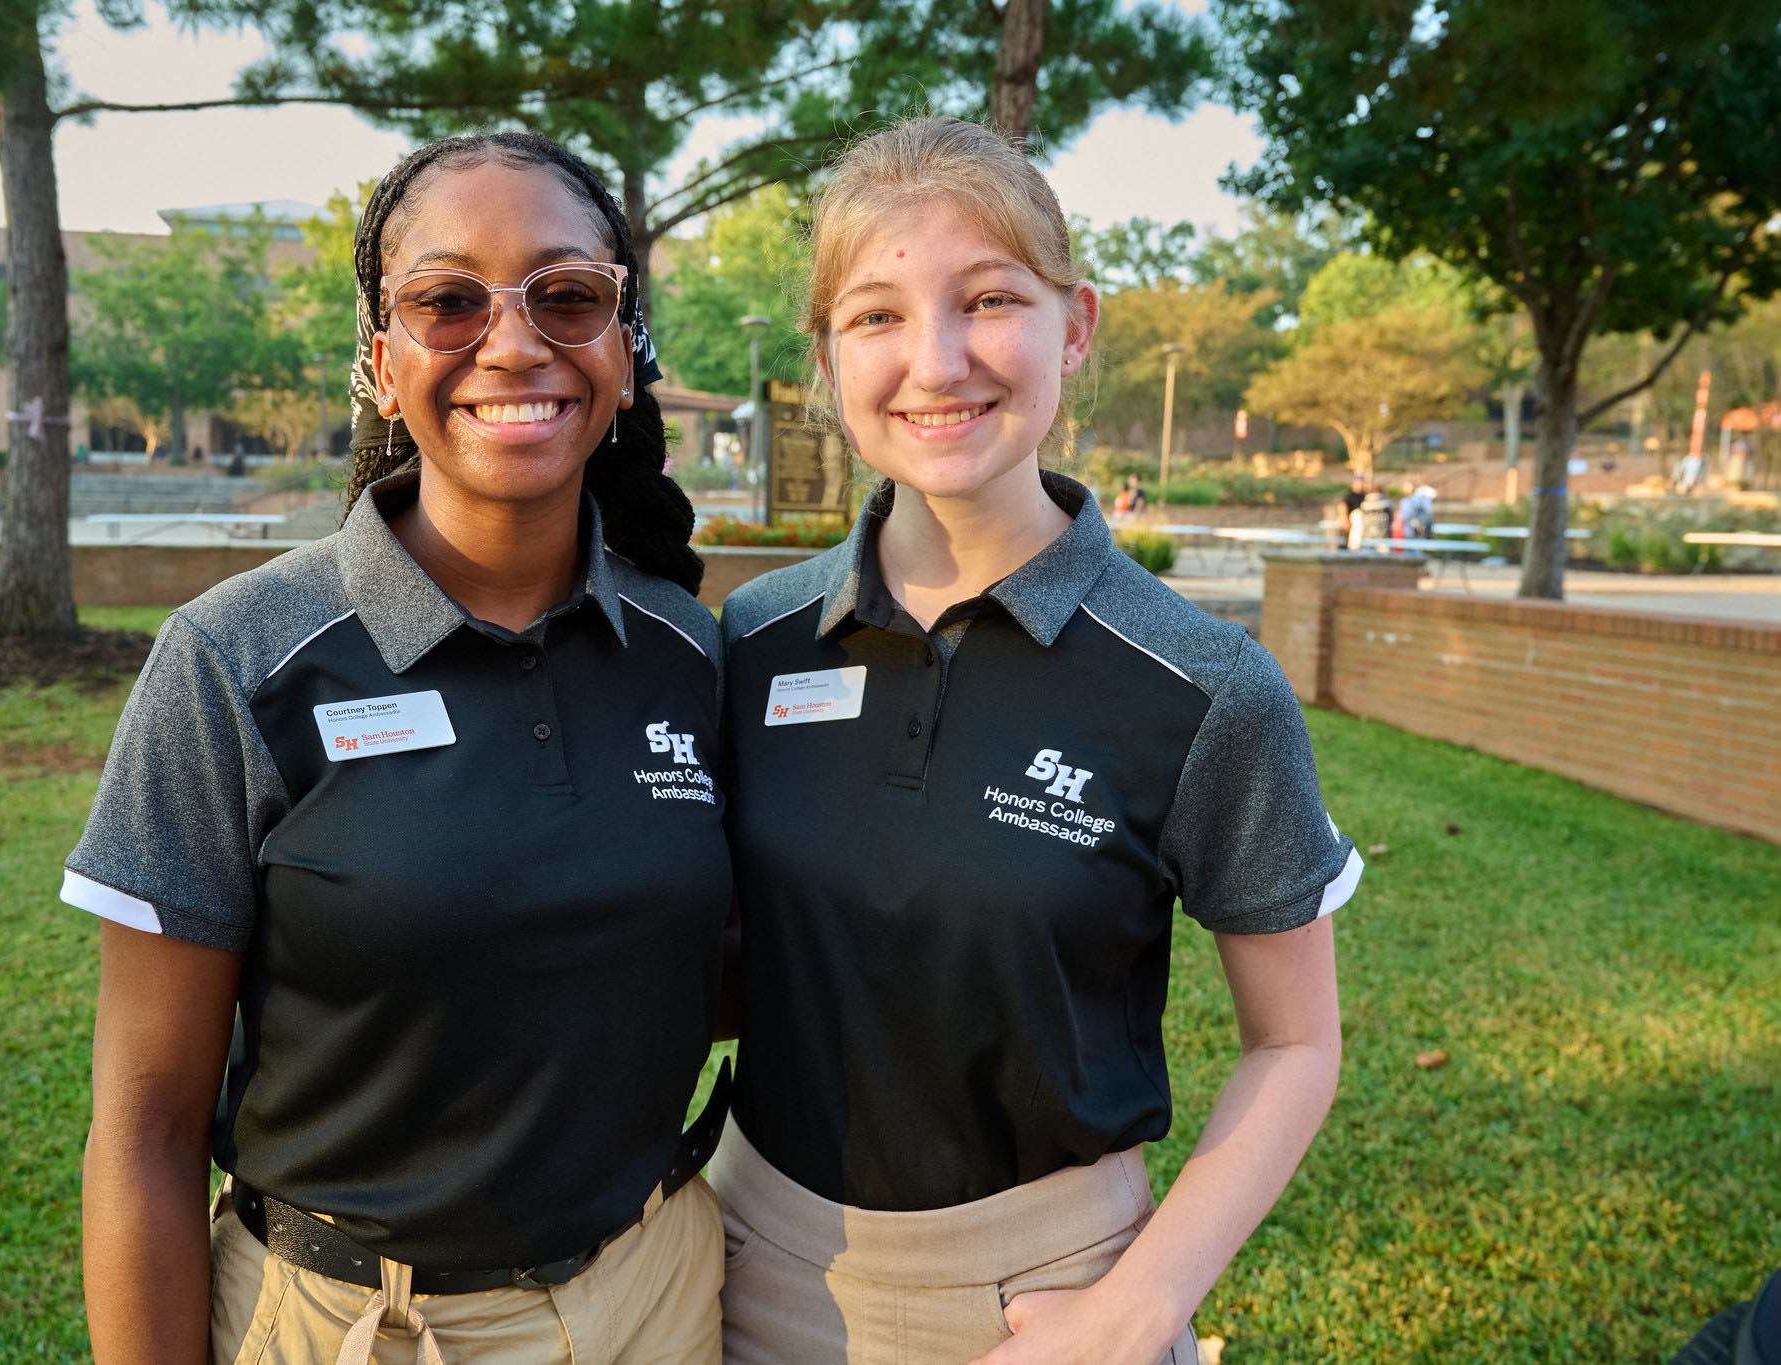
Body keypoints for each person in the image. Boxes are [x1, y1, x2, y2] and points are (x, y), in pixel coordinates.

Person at [71, 130, 731, 1365]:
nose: (516, 341)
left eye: (568, 296)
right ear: (380, 361)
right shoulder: (234, 659)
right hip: (358, 1325)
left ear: (622, 355)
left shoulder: (691, 656)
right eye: (446, 301)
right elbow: (145, 1131)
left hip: (661, 1298)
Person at [717, 117, 1359, 1365]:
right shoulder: (751, 640)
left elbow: (1294, 1044)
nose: (936, 361)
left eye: (989, 298)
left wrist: (1139, 1305)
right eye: (876, 315)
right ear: (827, 358)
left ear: (1074, 327)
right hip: (748, 1265)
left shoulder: (1207, 683)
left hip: (1048, 1297)